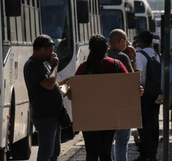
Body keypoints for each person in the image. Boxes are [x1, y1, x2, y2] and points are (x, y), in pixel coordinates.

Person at [66, 34, 133, 161]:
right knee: (105, 152)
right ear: (106, 48)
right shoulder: (116, 65)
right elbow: (128, 87)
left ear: (90, 49)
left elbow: (74, 92)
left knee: (91, 153)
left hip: (88, 117)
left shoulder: (84, 68)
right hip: (110, 116)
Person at [24, 35, 62, 161]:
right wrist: (55, 66)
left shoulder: (44, 64)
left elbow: (52, 84)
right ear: (42, 50)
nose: (53, 54)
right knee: (46, 153)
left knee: (55, 151)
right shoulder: (32, 65)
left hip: (53, 115)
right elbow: (49, 84)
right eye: (50, 51)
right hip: (45, 116)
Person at [135, 30, 162, 161]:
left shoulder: (139, 55)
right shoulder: (156, 54)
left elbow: (139, 75)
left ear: (140, 42)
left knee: (144, 124)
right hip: (155, 94)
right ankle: (153, 153)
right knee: (154, 123)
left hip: (144, 94)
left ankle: (145, 154)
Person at [108, 29, 135, 161]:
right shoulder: (122, 57)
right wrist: (132, 59)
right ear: (122, 41)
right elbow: (132, 80)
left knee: (109, 140)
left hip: (107, 105)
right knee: (122, 141)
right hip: (123, 105)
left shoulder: (104, 56)